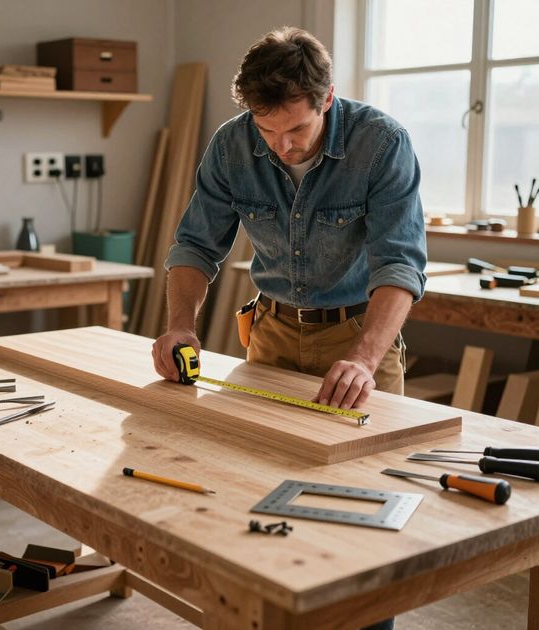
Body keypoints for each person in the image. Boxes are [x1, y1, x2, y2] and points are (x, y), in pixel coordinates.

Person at [152, 26, 426, 417]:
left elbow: (400, 265)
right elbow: (195, 246)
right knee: (260, 463)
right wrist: (180, 326)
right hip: (271, 334)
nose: (282, 146)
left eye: (298, 128)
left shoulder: (382, 143)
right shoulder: (231, 145)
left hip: (357, 336)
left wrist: (363, 360)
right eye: (266, 130)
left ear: (327, 97)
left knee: (364, 467)